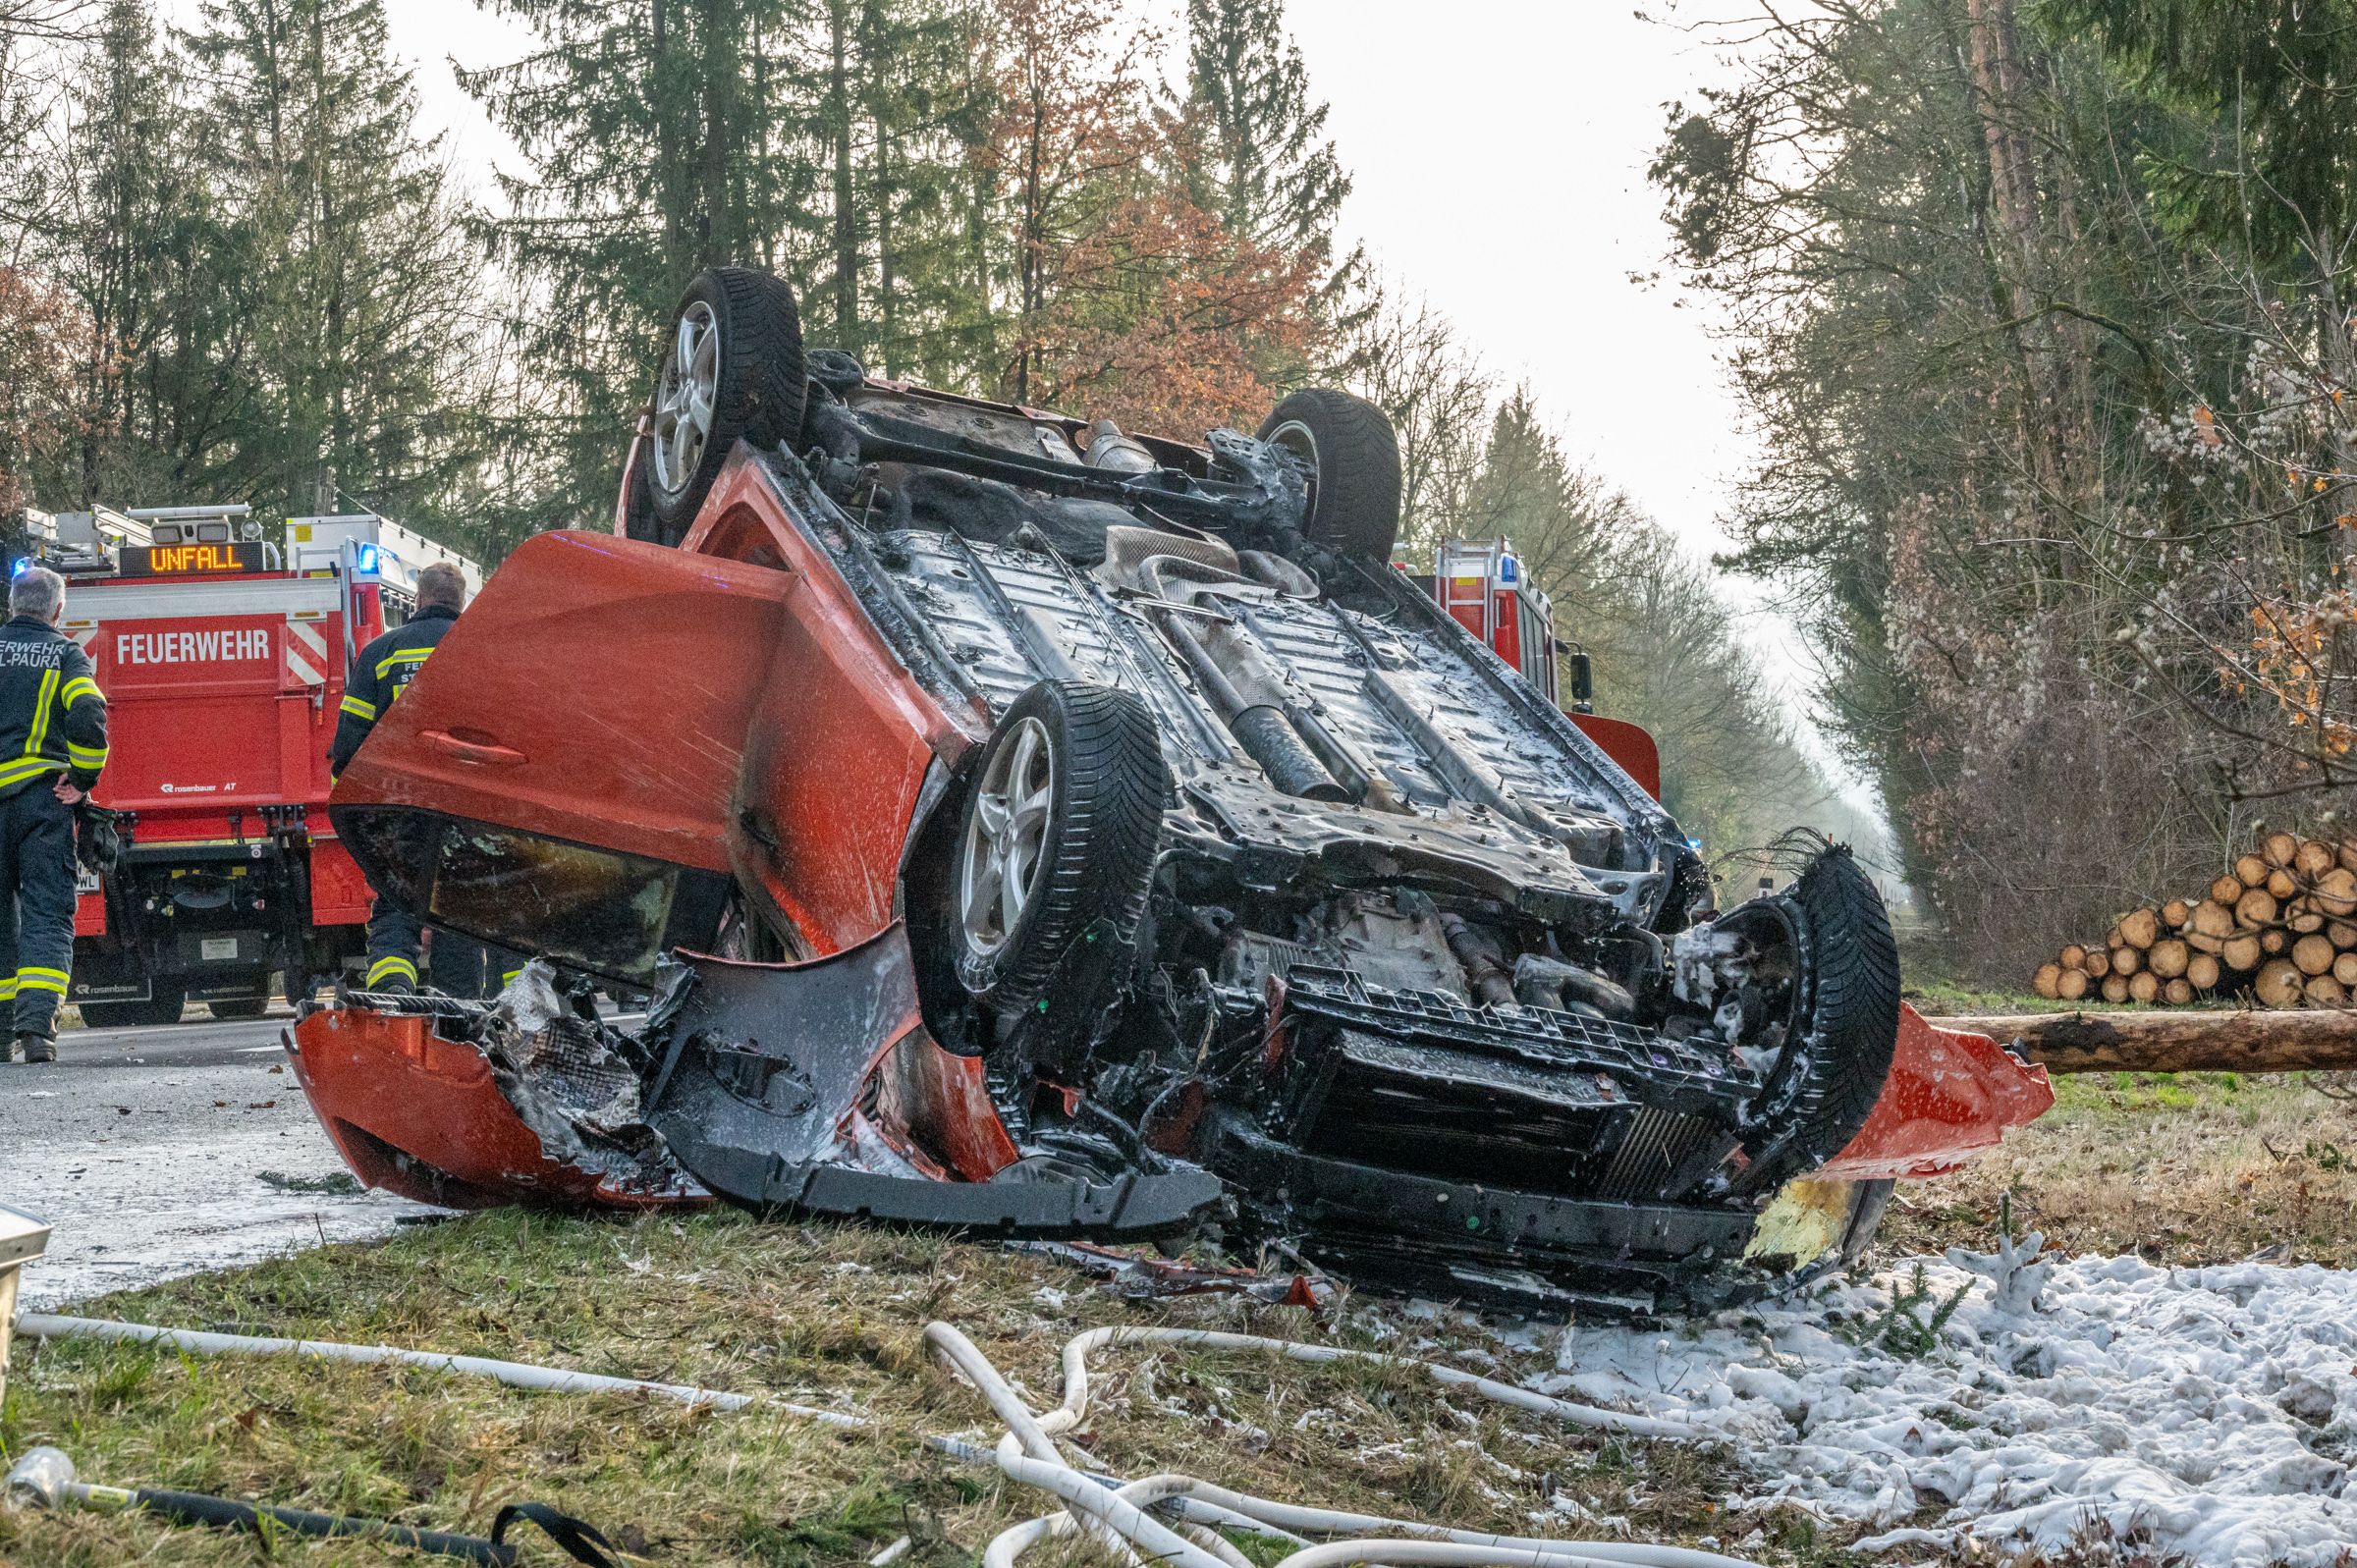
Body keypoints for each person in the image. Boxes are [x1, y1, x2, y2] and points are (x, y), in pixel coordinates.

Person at [329, 562, 519, 1000]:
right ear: (463, 602)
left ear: (418, 600)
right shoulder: (489, 655)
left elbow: (347, 748)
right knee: (460, 910)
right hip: (469, 814)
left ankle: (393, 993)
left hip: (402, 812)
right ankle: (459, 1009)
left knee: (397, 906)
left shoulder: (381, 653)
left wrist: (371, 802)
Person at [0, 566, 109, 1063]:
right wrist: (82, 779)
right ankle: (35, 1031)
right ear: (58, 610)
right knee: (45, 912)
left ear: (10, 605)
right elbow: (88, 715)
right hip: (41, 804)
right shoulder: (66, 654)